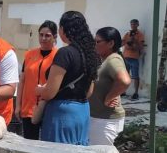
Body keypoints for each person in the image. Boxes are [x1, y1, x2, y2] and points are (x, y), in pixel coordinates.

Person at [35, 11, 99, 145]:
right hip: (82, 111)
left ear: (64, 29)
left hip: (62, 113)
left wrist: (40, 90)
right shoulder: (91, 54)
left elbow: (49, 92)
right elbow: (89, 92)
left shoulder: (65, 53)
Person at [14, 20, 58, 139]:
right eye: (41, 35)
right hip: (28, 108)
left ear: (55, 37)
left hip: (48, 108)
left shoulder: (59, 56)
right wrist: (18, 106)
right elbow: (22, 80)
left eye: (47, 35)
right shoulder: (29, 54)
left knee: (46, 144)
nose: (43, 38)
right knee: (29, 143)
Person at [89, 27, 131, 145]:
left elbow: (124, 81)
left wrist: (110, 97)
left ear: (111, 43)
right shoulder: (104, 60)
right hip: (99, 118)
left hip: (106, 120)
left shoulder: (113, 59)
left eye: (98, 42)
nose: (94, 45)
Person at [122, 19, 145, 100]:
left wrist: (135, 40)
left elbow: (141, 47)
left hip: (134, 58)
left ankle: (136, 93)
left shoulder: (140, 34)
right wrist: (128, 41)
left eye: (134, 24)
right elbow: (122, 43)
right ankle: (123, 91)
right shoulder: (127, 34)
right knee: (124, 76)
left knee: (135, 76)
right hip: (125, 57)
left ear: (137, 25)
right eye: (131, 24)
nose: (133, 26)